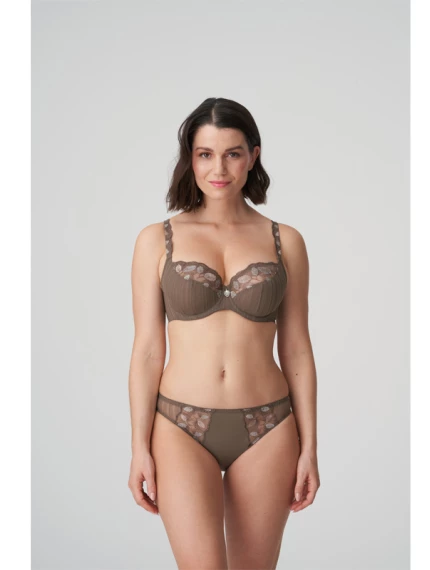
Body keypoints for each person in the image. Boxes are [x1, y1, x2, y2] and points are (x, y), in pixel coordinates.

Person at [128, 97, 320, 569]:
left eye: (232, 153)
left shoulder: (286, 240)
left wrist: (310, 447)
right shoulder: (156, 239)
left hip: (269, 425)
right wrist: (138, 446)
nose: (219, 168)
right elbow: (148, 351)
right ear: (190, 159)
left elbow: (297, 348)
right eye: (205, 154)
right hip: (180, 425)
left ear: (253, 156)